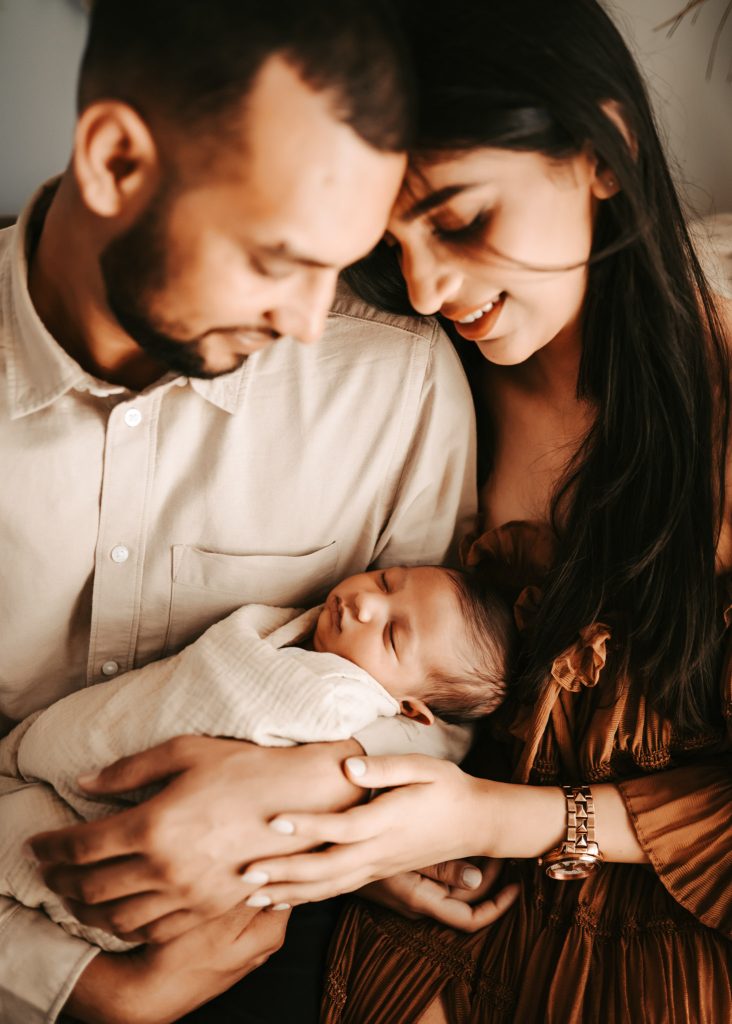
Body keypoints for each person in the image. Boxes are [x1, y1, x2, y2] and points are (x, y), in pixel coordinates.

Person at [230, 1, 732, 1021]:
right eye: (391, 238)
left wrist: (505, 820)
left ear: (603, 150)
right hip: (422, 918)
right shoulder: (414, 382)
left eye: (461, 218)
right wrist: (376, 833)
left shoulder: (716, 423)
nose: (424, 286)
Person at [0, 2, 479, 1022]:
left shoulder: (394, 383)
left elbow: (443, 711)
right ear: (117, 161)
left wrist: (302, 797)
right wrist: (74, 984)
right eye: (278, 257)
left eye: (339, 263)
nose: (308, 324)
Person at [3, 565, 513, 952]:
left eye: (392, 635)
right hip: (92, 732)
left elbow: (441, 746)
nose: (364, 606)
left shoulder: (345, 702)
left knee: (24, 845)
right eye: (384, 581)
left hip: (129, 834)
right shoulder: (294, 632)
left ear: (409, 709)